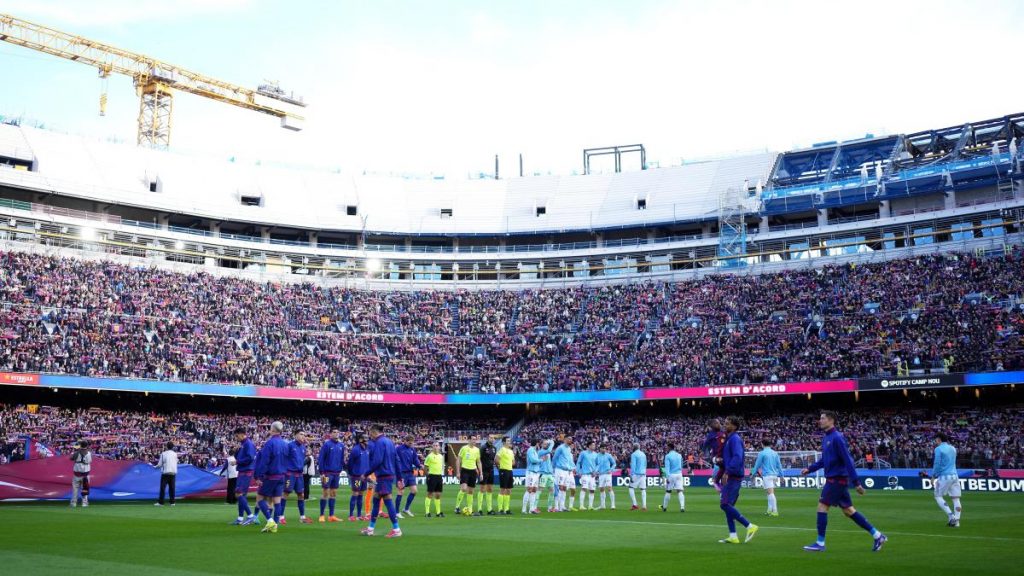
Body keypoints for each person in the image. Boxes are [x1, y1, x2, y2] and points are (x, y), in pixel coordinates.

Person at [800, 411, 886, 552]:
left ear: (831, 420)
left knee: (822, 507)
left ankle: (820, 543)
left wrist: (856, 482)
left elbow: (848, 460)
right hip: (836, 479)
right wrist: (810, 469)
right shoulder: (826, 438)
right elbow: (824, 460)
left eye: (822, 418)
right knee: (848, 511)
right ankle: (877, 535)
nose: (819, 421)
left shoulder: (837, 438)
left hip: (836, 480)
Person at [718, 416, 758, 544]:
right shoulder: (730, 439)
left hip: (733, 476)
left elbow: (738, 456)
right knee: (729, 506)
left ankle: (749, 526)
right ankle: (733, 535)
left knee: (724, 504)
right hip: (732, 474)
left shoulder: (735, 439)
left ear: (734, 426)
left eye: (727, 423)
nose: (725, 425)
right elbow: (731, 458)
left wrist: (727, 472)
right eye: (725, 422)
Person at [360, 423, 402, 538]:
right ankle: (370, 529)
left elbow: (377, 461)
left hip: (383, 475)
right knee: (376, 500)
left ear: (374, 432)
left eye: (370, 433)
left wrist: (366, 473)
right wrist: (399, 477)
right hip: (387, 475)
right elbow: (397, 460)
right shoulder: (389, 442)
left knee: (388, 501)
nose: (370, 435)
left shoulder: (379, 442)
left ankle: (396, 529)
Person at [255, 421, 290, 534]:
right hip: (281, 476)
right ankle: (275, 525)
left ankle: (270, 521)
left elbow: (265, 461)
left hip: (270, 476)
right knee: (277, 501)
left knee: (260, 499)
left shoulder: (269, 443)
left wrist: (259, 476)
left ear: (273, 430)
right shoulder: (285, 444)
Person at [922, 432, 962, 527]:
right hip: (955, 476)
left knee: (938, 496)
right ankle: (957, 521)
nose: (935, 441)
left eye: (936, 440)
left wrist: (933, 476)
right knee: (956, 498)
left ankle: (951, 516)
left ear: (939, 439)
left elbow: (937, 464)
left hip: (944, 476)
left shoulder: (938, 449)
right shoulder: (953, 448)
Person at [281, 431, 310, 524]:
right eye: (301, 434)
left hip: (299, 475)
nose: (303, 436)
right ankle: (281, 516)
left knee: (301, 495)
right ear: (295, 435)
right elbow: (283, 458)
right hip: (290, 474)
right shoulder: (289, 445)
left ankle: (302, 517)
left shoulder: (303, 447)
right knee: (285, 493)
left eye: (304, 435)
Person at [317, 428, 345, 522]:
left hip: (336, 473)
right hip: (327, 473)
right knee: (325, 492)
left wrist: (341, 469)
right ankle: (321, 515)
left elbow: (342, 459)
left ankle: (331, 515)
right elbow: (321, 458)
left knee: (333, 493)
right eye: (334, 432)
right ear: (330, 434)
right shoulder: (327, 444)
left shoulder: (342, 445)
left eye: (337, 432)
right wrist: (322, 473)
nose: (336, 433)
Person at [233, 428, 257, 526]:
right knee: (241, 496)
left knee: (239, 494)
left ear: (242, 434)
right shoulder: (243, 444)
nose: (236, 438)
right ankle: (240, 518)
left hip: (246, 471)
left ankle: (251, 516)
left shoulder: (248, 444)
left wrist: (238, 462)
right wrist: (236, 451)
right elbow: (239, 457)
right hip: (243, 471)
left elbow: (250, 458)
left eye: (237, 435)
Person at [752, 438, 782, 516]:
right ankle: (769, 510)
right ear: (770, 445)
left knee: (770, 493)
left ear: (762, 444)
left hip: (767, 475)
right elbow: (779, 465)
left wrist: (753, 473)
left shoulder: (762, 453)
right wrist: (782, 476)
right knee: (769, 493)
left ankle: (775, 511)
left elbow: (757, 464)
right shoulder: (775, 453)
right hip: (774, 475)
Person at [454, 435, 482, 516]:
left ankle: (470, 509)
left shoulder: (477, 450)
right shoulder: (464, 448)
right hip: (465, 470)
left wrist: (481, 473)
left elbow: (479, 462)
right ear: (469, 440)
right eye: (473, 439)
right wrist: (458, 472)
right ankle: (457, 507)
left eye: (475, 439)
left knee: (471, 491)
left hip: (473, 471)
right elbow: (458, 460)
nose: (474, 441)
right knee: (463, 488)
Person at [396, 435, 422, 518]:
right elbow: (394, 458)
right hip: (401, 473)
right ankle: (396, 512)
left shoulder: (412, 449)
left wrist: (420, 465)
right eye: (409, 443)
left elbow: (415, 460)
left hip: (410, 473)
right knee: (401, 491)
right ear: (405, 441)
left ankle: (406, 509)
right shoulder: (398, 448)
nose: (411, 444)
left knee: (414, 491)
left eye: (412, 443)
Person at [522, 437, 550, 514]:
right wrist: (542, 460)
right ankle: (524, 509)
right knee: (529, 489)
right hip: (531, 472)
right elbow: (533, 460)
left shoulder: (535, 451)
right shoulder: (530, 450)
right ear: (537, 444)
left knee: (534, 490)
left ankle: (531, 509)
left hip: (536, 473)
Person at [702, 418, 726, 492]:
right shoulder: (710, 435)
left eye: (719, 423)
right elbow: (705, 445)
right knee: (721, 463)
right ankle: (715, 480)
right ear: (712, 425)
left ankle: (722, 489)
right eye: (717, 423)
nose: (719, 424)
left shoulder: (723, 433)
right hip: (716, 457)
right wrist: (703, 452)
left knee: (725, 473)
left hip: (725, 456)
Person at [553, 435, 576, 512]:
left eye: (571, 439)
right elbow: (554, 458)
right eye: (569, 439)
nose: (571, 440)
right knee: (559, 487)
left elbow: (569, 460)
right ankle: (556, 507)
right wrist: (553, 469)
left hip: (567, 471)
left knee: (565, 488)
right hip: (560, 470)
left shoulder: (569, 449)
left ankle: (562, 506)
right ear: (565, 439)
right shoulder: (560, 448)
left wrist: (572, 468)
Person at [660, 442, 685, 513]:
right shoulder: (679, 455)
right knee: (680, 491)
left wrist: (667, 477)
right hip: (679, 474)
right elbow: (681, 465)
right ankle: (682, 507)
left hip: (671, 475)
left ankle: (664, 507)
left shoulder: (668, 456)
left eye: (667, 447)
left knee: (668, 491)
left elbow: (667, 468)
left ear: (669, 448)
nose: (666, 448)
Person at [423, 442, 445, 518]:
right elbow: (425, 467)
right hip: (432, 476)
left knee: (438, 495)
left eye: (437, 445)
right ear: (432, 447)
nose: (436, 447)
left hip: (439, 476)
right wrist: (428, 476)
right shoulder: (429, 456)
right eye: (434, 446)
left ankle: (438, 512)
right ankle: (427, 512)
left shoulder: (441, 456)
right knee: (430, 494)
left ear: (439, 447)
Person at [575, 440, 598, 510]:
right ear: (589, 446)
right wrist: (578, 471)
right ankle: (581, 505)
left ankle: (590, 506)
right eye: (593, 445)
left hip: (592, 476)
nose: (594, 446)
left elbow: (598, 464)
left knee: (592, 490)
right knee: (584, 488)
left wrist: (596, 472)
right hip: (585, 474)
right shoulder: (583, 453)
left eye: (594, 445)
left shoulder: (596, 454)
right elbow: (578, 462)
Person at [69, 439, 92, 508]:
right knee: (85, 488)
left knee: (75, 489)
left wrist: (74, 452)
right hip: (85, 474)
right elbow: (90, 461)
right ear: (87, 445)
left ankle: (73, 503)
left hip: (77, 474)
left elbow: (71, 458)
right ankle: (84, 503)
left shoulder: (76, 453)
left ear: (80, 445)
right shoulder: (89, 453)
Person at [496, 436, 516, 515]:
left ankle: (506, 509)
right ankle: (500, 509)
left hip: (510, 470)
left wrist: (510, 464)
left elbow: (514, 462)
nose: (509, 442)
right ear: (504, 442)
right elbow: (496, 459)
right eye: (508, 441)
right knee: (503, 489)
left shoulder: (510, 451)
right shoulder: (502, 450)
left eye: (509, 441)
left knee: (509, 490)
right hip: (504, 470)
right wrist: (502, 465)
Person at [478, 436, 497, 515]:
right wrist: (480, 471)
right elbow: (479, 460)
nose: (492, 439)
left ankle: (489, 509)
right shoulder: (483, 447)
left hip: (491, 471)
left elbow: (493, 460)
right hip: (484, 471)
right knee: (482, 489)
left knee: (490, 489)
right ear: (487, 438)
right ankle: (479, 509)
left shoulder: (494, 448)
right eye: (490, 438)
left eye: (493, 438)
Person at [156, 441, 178, 507]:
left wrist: (155, 467)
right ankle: (172, 502)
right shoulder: (175, 454)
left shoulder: (163, 454)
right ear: (172, 447)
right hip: (173, 473)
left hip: (165, 473)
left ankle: (161, 503)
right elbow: (176, 462)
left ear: (166, 446)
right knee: (172, 488)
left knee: (163, 488)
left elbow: (160, 464)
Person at [628, 443, 648, 511]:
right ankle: (644, 506)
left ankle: (635, 504)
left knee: (631, 488)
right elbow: (645, 464)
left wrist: (631, 475)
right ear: (639, 447)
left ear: (634, 447)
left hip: (636, 474)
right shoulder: (643, 454)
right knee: (643, 489)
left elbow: (633, 465)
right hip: (643, 473)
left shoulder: (633, 454)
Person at [597, 445, 617, 510]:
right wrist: (596, 471)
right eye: (603, 448)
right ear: (600, 449)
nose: (604, 449)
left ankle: (613, 505)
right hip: (601, 474)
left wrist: (611, 470)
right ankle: (603, 505)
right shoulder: (597, 456)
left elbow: (614, 464)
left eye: (605, 448)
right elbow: (595, 464)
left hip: (608, 474)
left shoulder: (608, 455)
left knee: (609, 488)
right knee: (601, 489)